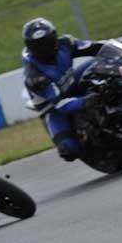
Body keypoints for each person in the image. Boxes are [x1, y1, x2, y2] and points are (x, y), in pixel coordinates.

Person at [22, 18, 103, 161]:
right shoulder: (35, 76)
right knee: (69, 151)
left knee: (102, 64)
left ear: (54, 37)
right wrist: (86, 102)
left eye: (47, 42)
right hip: (54, 110)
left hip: (71, 84)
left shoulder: (65, 43)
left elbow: (96, 47)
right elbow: (58, 104)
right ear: (31, 47)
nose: (44, 48)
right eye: (39, 46)